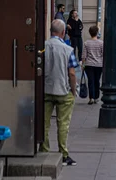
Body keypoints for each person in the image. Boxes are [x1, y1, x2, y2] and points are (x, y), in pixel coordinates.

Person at [40, 19, 78, 166]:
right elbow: (72, 73)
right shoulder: (67, 49)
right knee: (63, 124)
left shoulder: (42, 47)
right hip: (63, 90)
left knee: (44, 123)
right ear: (63, 33)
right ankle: (63, 154)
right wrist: (73, 91)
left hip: (46, 90)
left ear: (51, 31)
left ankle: (44, 149)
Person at [82, 25, 103, 105]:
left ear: (90, 33)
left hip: (89, 64)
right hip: (99, 64)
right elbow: (103, 54)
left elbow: (84, 55)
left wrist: (83, 65)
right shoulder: (101, 43)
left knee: (90, 81)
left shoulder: (86, 43)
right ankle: (97, 97)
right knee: (97, 81)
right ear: (97, 33)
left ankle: (91, 97)